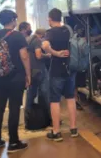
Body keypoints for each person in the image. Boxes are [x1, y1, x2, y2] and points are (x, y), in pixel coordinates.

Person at [0, 10, 31, 153]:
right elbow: (24, 57)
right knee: (14, 108)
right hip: (15, 78)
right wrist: (28, 74)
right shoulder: (18, 36)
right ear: (13, 20)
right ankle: (13, 142)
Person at [42, 8, 78, 141]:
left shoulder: (50, 32)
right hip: (70, 68)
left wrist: (55, 53)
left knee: (55, 100)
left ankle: (56, 132)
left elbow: (45, 45)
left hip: (57, 70)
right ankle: (73, 128)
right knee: (70, 98)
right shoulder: (67, 30)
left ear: (50, 19)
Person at [25, 28, 51, 118]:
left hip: (31, 69)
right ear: (42, 35)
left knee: (31, 93)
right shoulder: (37, 41)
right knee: (46, 92)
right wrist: (47, 55)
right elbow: (39, 55)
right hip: (39, 69)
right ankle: (50, 116)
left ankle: (28, 116)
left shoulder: (29, 39)